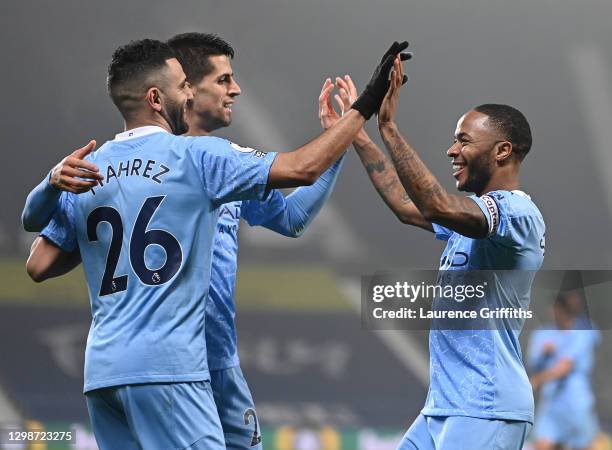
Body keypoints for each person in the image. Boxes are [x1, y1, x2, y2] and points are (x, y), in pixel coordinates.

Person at [21, 39, 408, 449]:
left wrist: (55, 193)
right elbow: (303, 168)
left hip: (112, 368)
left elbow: (39, 263)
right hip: (174, 365)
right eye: (195, 83)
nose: (192, 94)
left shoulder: (89, 167)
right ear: (160, 96)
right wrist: (362, 106)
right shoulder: (203, 158)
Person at [322, 58, 545, 449]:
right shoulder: (475, 216)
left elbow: (436, 205)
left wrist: (389, 127)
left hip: (485, 408)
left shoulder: (517, 214)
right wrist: (355, 133)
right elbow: (409, 207)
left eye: (463, 140)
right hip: (442, 407)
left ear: (502, 151)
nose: (452, 150)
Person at [528, 292, 600, 450]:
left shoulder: (583, 333)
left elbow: (564, 367)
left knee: (583, 445)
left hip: (575, 402)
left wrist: (537, 380)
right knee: (542, 444)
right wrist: (544, 353)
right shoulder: (543, 334)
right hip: (551, 402)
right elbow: (533, 360)